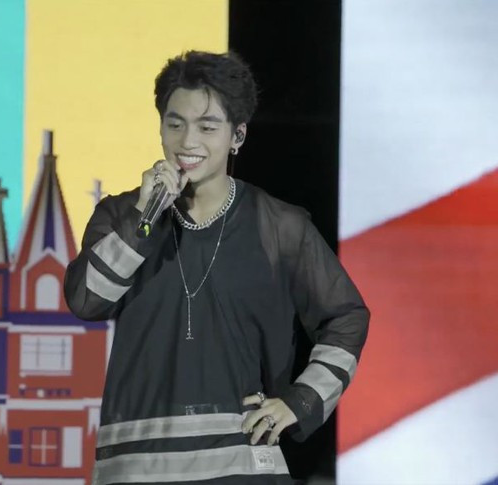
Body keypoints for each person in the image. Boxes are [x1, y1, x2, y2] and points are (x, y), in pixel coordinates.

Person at [64, 50, 369, 485]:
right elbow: (87, 301)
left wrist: (300, 401)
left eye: (207, 127)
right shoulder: (122, 215)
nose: (188, 141)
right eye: (175, 124)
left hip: (241, 463)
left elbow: (346, 316)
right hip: (134, 466)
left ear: (237, 135)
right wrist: (145, 215)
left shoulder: (278, 226)